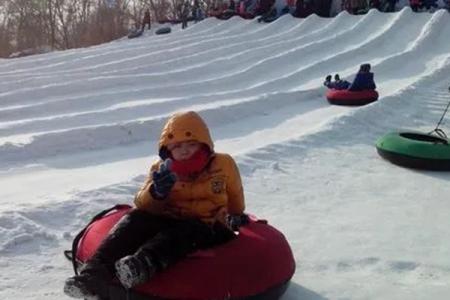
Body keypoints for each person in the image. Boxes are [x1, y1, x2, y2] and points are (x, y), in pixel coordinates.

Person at [63, 111, 246, 299]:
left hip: (209, 225)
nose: (185, 151)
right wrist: (157, 193)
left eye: (192, 144)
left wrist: (237, 214)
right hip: (170, 219)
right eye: (177, 146)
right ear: (168, 149)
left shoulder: (223, 164)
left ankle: (141, 266)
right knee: (135, 219)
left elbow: (235, 192)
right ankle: (92, 276)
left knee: (187, 230)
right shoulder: (161, 169)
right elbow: (142, 204)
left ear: (205, 144)